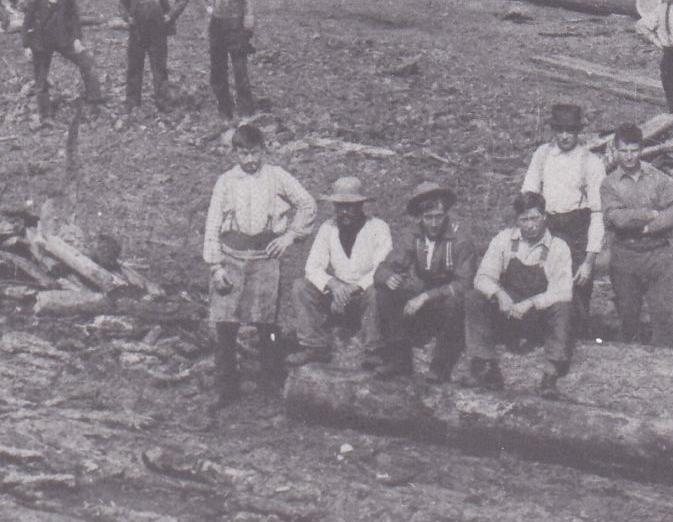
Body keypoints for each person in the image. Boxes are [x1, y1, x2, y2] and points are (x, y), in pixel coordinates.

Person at [202, 123, 318, 406]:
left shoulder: (276, 177)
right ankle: (225, 386)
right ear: (235, 154)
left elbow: (307, 204)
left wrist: (290, 236)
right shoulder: (226, 181)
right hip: (230, 255)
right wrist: (216, 267)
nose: (250, 160)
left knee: (267, 323)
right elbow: (212, 225)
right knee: (225, 324)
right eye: (243, 154)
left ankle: (270, 385)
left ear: (263, 150)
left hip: (265, 258)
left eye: (254, 153)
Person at [464, 192, 575, 395]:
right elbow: (483, 277)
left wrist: (531, 303)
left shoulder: (559, 247)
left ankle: (550, 375)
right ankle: (486, 364)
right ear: (517, 220)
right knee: (474, 298)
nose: (530, 225)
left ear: (544, 217)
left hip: (537, 318)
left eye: (534, 218)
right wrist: (500, 295)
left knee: (563, 307)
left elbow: (563, 291)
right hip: (508, 314)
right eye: (524, 220)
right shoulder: (503, 240)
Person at [375, 182, 478, 380]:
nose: (433, 223)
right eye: (427, 217)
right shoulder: (413, 236)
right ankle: (399, 360)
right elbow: (385, 267)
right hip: (423, 304)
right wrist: (389, 278)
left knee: (456, 302)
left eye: (438, 216)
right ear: (420, 218)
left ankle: (440, 366)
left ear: (445, 213)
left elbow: (465, 283)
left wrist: (426, 296)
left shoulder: (460, 239)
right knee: (386, 292)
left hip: (447, 304)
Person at [289, 177, 395, 366]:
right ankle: (314, 345)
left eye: (351, 206)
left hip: (364, 293)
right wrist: (333, 284)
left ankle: (373, 348)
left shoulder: (378, 228)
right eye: (339, 206)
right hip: (337, 293)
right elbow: (312, 267)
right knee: (300, 287)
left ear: (361, 205)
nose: (345, 212)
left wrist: (355, 287)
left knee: (376, 291)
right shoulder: (328, 228)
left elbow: (382, 268)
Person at [521, 103, 605, 333]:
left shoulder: (591, 162)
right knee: (541, 282)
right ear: (554, 131)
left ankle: (578, 341)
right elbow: (528, 195)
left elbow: (598, 213)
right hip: (547, 228)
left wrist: (589, 260)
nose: (565, 136)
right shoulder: (543, 155)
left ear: (578, 132)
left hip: (577, 232)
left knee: (577, 288)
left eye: (570, 131)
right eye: (560, 131)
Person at [599, 123, 673, 346]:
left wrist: (651, 228)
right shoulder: (609, 184)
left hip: (658, 255)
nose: (629, 157)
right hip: (625, 255)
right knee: (628, 318)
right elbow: (616, 217)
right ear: (615, 150)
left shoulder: (659, 178)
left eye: (634, 150)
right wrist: (651, 213)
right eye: (624, 151)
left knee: (664, 317)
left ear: (641, 149)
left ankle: (668, 367)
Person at [17, 0, 103, 129]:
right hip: (41, 41)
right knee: (40, 80)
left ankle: (94, 103)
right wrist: (26, 45)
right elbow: (28, 20)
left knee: (87, 61)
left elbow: (74, 17)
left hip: (64, 38)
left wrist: (77, 39)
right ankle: (45, 115)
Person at [119, 0, 188, 113]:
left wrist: (170, 16)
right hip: (137, 31)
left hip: (158, 31)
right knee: (134, 66)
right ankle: (132, 100)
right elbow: (121, 3)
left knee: (159, 67)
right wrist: (127, 18)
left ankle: (163, 101)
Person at [203, 0, 260, 121]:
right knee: (218, 71)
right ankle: (224, 109)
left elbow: (249, 9)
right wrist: (208, 9)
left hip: (236, 31)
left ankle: (245, 110)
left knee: (240, 72)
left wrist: (247, 31)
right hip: (217, 29)